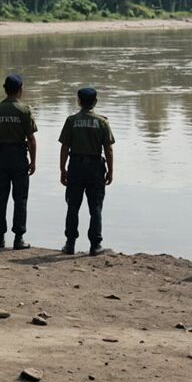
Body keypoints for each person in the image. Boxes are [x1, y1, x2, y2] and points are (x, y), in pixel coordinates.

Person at [0, 74, 38, 250]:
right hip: (19, 158)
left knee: (0, 198)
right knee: (20, 198)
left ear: (5, 89)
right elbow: (31, 140)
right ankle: (18, 238)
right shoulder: (25, 110)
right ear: (20, 90)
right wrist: (33, 161)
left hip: (0, 157)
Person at [58, 87, 115, 256]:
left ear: (79, 101)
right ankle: (95, 245)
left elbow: (65, 147)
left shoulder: (71, 121)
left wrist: (62, 169)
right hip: (95, 168)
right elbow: (108, 149)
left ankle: (70, 244)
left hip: (75, 166)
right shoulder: (102, 122)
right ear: (95, 102)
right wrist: (110, 171)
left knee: (73, 206)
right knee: (95, 207)